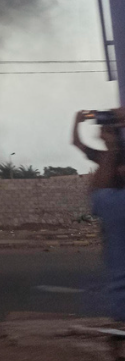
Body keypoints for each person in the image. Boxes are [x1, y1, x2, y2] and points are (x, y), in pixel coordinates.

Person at [74, 109, 125, 320]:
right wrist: (76, 122)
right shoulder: (106, 154)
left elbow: (97, 193)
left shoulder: (110, 155)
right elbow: (76, 143)